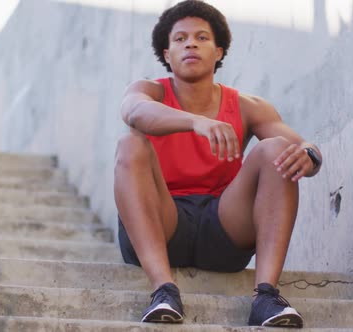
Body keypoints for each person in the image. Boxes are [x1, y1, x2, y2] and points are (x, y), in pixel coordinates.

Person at [114, 0, 322, 328]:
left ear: (219, 52)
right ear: (167, 55)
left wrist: (309, 154)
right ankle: (163, 290)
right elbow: (134, 112)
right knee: (130, 145)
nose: (191, 44)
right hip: (162, 224)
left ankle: (266, 296)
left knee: (276, 149)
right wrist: (195, 122)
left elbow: (302, 148)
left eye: (201, 37)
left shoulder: (249, 106)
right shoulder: (149, 91)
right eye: (180, 39)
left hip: (223, 229)